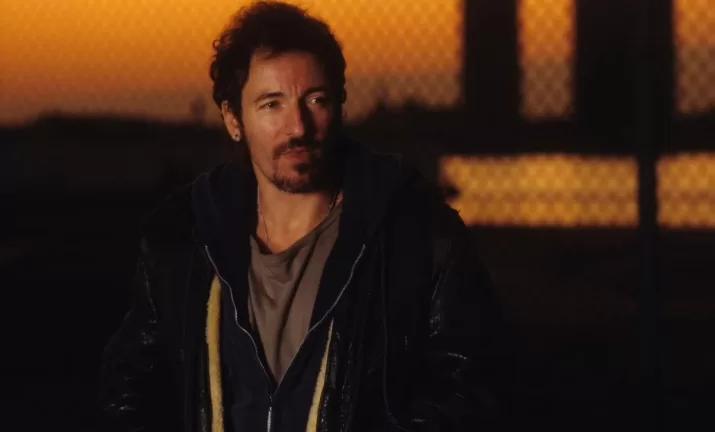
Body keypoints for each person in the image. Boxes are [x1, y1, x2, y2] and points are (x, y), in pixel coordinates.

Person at [99, 1, 502, 431]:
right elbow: (132, 387)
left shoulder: (415, 236)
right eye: (271, 104)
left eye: (315, 99)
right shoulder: (184, 235)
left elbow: (469, 390)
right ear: (233, 119)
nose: (298, 127)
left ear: (340, 106)